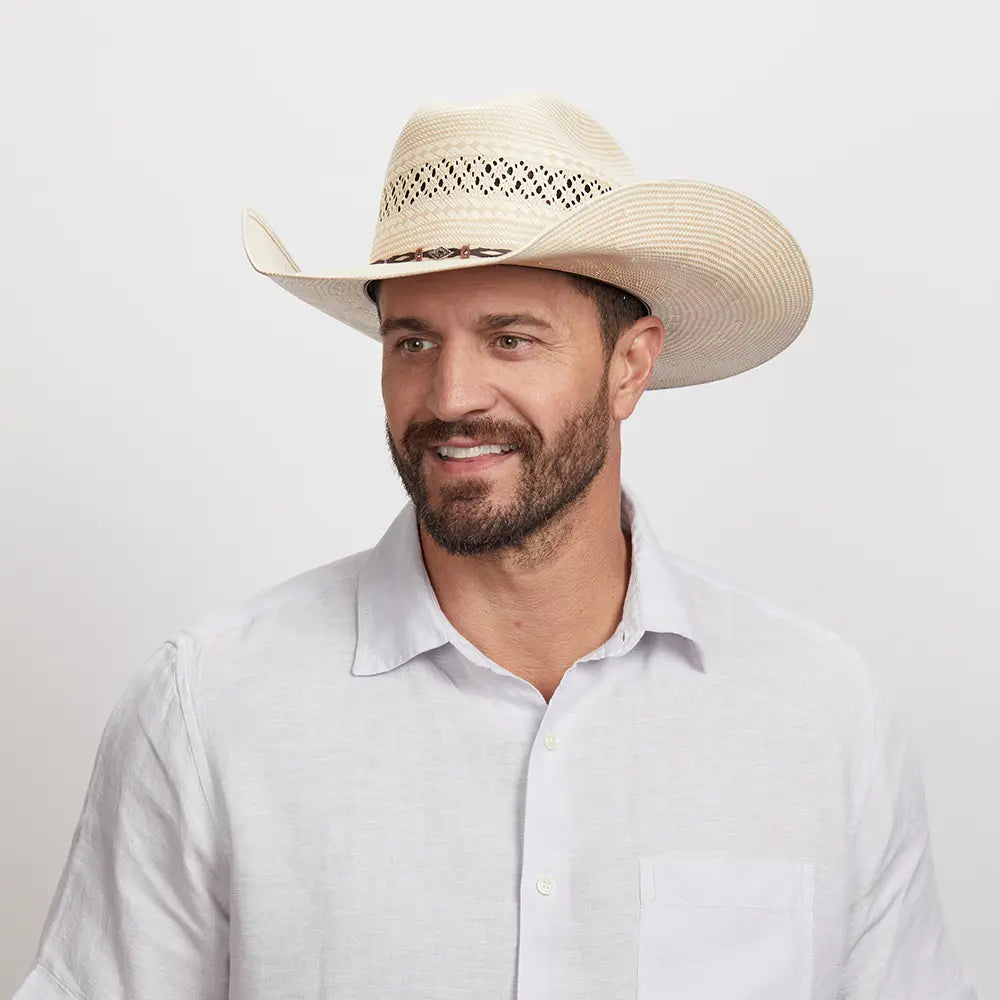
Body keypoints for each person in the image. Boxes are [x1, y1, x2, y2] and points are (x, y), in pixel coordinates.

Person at [12, 93, 977, 1000]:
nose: (450, 397)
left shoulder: (821, 716)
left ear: (630, 365)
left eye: (511, 339)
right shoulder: (209, 712)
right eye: (413, 343)